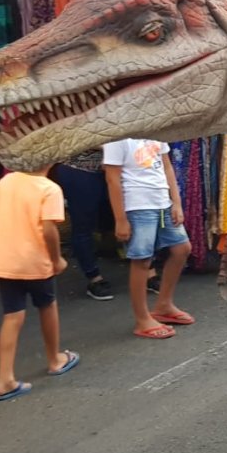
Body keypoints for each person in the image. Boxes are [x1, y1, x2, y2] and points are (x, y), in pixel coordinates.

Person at [0, 165, 80, 401]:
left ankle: (4, 378)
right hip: (35, 260)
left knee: (12, 316)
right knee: (47, 306)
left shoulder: (7, 182)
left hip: (5, 260)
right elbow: (49, 230)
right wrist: (57, 259)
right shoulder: (49, 189)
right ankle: (54, 359)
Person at [103, 138, 193, 339]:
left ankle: (164, 304)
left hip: (162, 202)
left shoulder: (156, 132)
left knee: (182, 248)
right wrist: (120, 219)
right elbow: (112, 179)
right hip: (138, 205)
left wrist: (176, 202)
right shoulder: (117, 138)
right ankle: (142, 318)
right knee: (142, 259)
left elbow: (167, 167)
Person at [52, 151, 114, 300]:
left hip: (113, 168)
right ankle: (94, 278)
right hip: (79, 170)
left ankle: (147, 270)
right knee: (83, 224)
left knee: (122, 217)